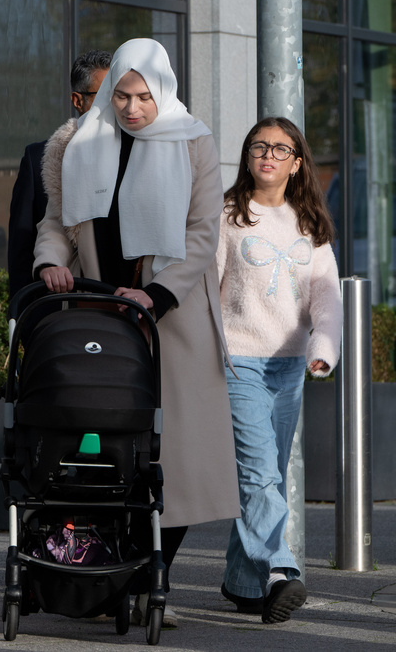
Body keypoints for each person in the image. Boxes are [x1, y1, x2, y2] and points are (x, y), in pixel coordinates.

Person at [32, 38, 240, 627]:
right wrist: (49, 261)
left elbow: (203, 235)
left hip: (172, 316)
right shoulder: (79, 143)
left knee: (177, 460)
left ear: (163, 91)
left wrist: (157, 292)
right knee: (112, 454)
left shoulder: (194, 141)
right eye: (121, 95)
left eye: (142, 96)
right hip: (101, 315)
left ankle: (156, 579)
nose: (130, 107)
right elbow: (55, 220)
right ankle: (111, 574)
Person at [217, 117, 341, 624]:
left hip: (289, 369)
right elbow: (207, 288)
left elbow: (327, 299)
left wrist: (324, 350)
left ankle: (242, 583)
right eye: (258, 147)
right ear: (247, 157)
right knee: (260, 474)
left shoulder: (309, 225)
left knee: (260, 479)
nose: (267, 155)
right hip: (238, 362)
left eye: (279, 149)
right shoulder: (228, 216)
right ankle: (281, 571)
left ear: (296, 163)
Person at [7, 50, 110, 299]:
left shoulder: (137, 154)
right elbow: (22, 245)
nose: (116, 105)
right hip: (60, 306)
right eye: (104, 96)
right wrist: (27, 316)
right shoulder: (38, 158)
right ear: (78, 101)